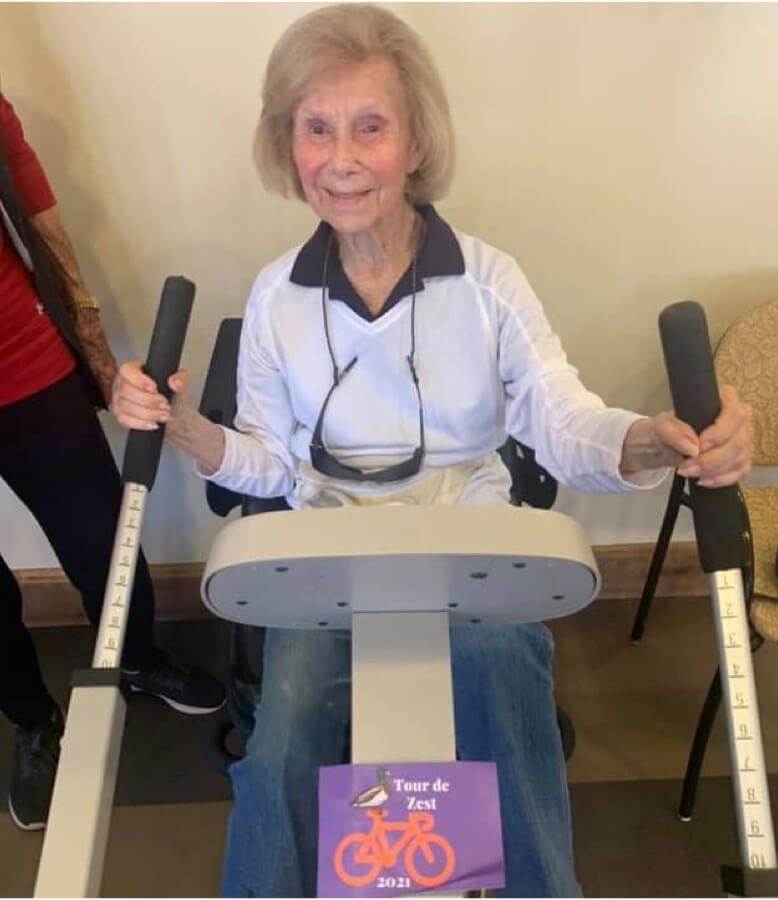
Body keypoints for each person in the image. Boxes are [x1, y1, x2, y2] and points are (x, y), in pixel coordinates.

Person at [112, 5, 752, 895]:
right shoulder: (275, 299)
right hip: (323, 545)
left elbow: (564, 424)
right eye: (316, 128)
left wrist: (653, 439)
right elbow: (264, 462)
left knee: (507, 722)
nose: (341, 159)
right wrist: (181, 428)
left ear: (415, 143)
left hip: (469, 541)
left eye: (370, 127)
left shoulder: (487, 281)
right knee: (286, 740)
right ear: (286, 144)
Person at [0, 88, 225, 832]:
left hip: (24, 365)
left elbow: (45, 230)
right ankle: (33, 720)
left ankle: (135, 656)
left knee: (104, 536)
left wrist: (94, 354)